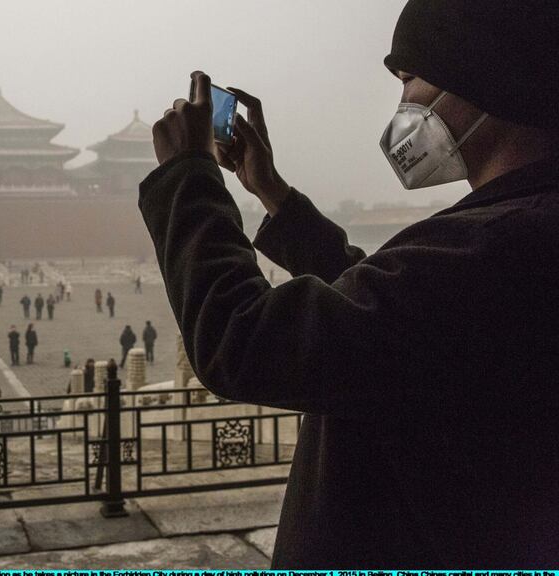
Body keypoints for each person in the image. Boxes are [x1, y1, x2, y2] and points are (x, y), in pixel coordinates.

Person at [141, 3, 559, 565]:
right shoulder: (517, 233)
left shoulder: (496, 249)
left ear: (481, 77)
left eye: (409, 78)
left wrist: (186, 176)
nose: (404, 103)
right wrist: (273, 194)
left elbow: (241, 341)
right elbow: (389, 323)